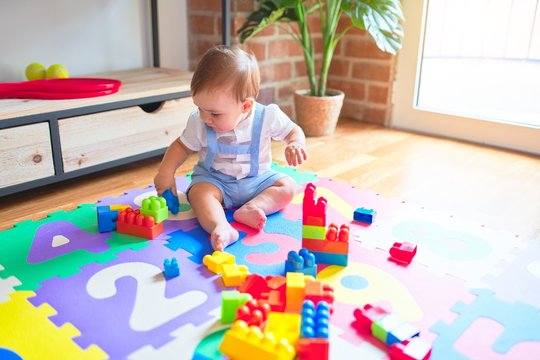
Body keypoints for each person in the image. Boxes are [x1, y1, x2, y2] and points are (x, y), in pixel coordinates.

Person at [154, 45, 307, 251]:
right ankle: (221, 227)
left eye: (215, 114)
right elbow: (181, 146)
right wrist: (166, 172)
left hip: (257, 181)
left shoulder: (267, 116)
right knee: (199, 194)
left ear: (246, 106)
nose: (205, 118)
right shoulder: (200, 121)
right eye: (200, 108)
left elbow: (292, 131)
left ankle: (253, 207)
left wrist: (295, 142)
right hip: (215, 181)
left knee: (288, 187)